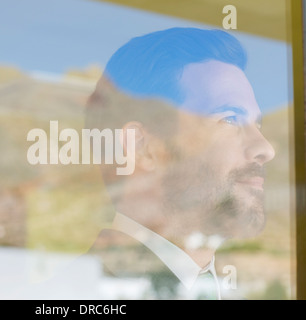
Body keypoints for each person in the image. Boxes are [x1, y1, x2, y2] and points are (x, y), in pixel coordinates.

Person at [22, 27, 275, 300]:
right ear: (142, 147)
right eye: (229, 119)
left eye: (257, 124)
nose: (266, 148)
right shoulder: (75, 297)